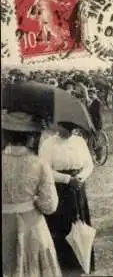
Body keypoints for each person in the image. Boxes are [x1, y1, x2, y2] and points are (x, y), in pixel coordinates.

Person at [2, 112, 62, 277]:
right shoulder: (39, 164)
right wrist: (33, 200)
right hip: (31, 227)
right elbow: (49, 205)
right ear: (31, 137)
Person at [38, 122, 96, 274]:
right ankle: (63, 264)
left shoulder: (79, 141)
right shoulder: (48, 144)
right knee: (61, 225)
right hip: (59, 190)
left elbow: (89, 165)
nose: (68, 131)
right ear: (57, 127)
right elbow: (44, 169)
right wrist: (67, 179)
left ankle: (80, 261)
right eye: (64, 128)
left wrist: (80, 177)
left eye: (71, 129)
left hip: (78, 188)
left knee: (80, 225)